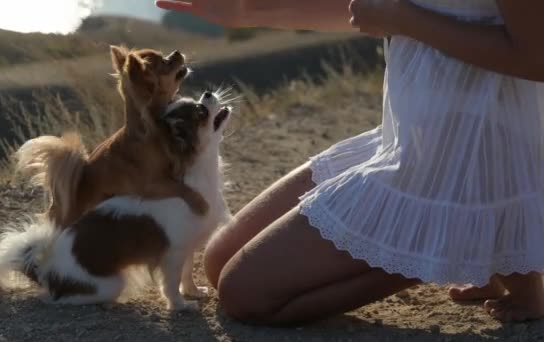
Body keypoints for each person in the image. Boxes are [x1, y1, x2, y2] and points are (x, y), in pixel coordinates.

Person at [156, 0, 544, 325]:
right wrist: (246, 11)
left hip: (472, 153)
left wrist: (403, 20)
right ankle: (480, 250)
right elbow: (367, 7)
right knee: (219, 259)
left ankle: (469, 245)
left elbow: (535, 53)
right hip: (411, 141)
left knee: (246, 294)